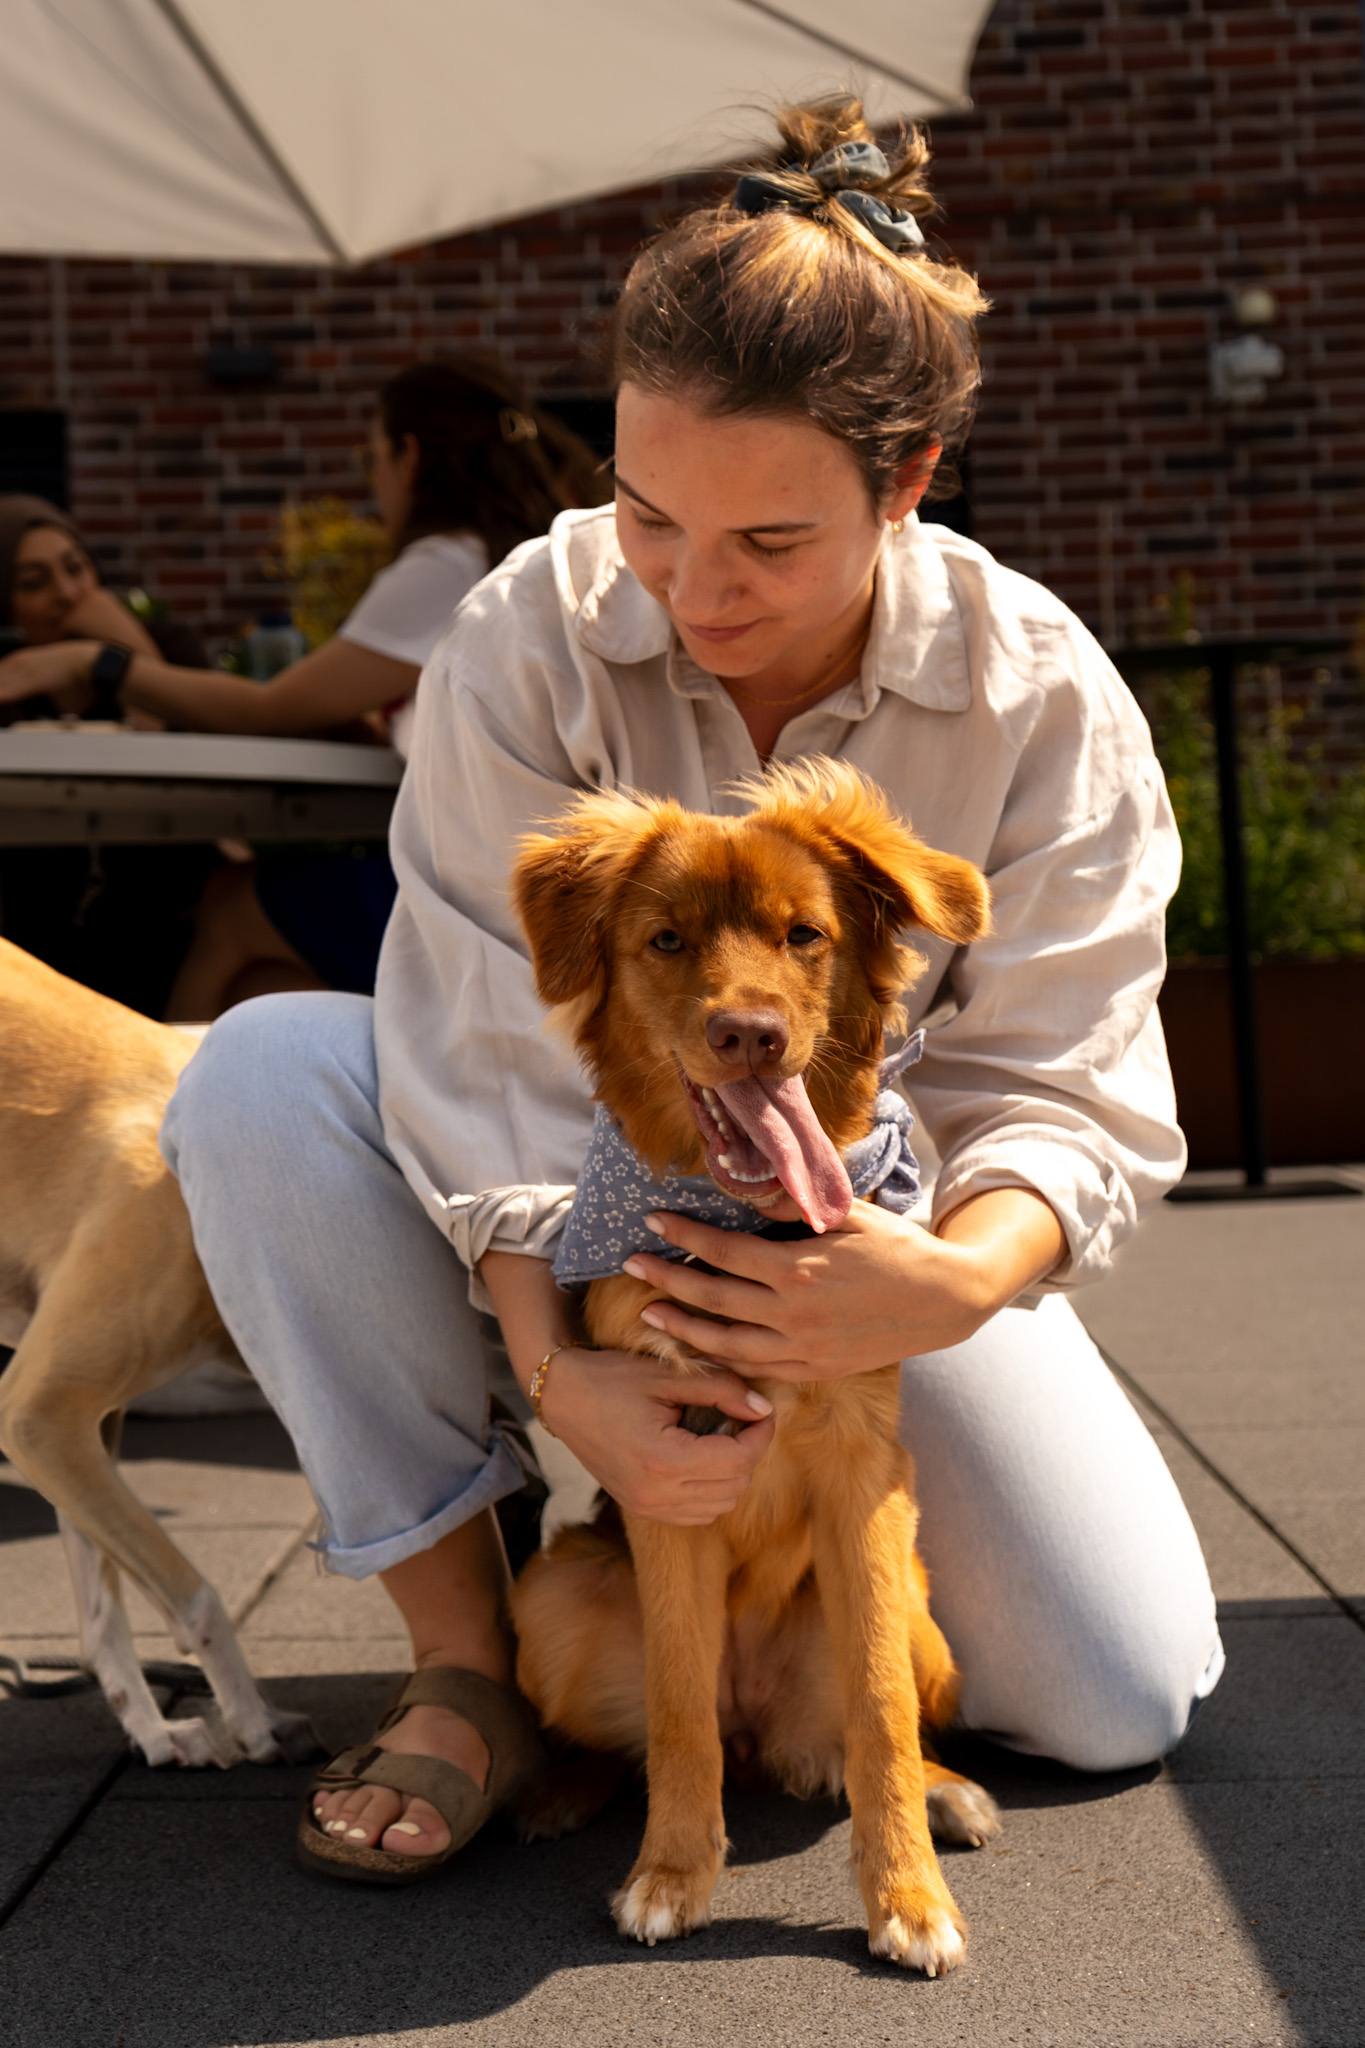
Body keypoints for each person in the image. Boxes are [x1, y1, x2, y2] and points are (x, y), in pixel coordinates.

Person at [161, 99, 1222, 1882]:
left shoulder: (1035, 692)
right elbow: (476, 1036)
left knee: (1114, 1691)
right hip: (573, 1214)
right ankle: (468, 1657)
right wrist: (561, 1367)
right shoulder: (528, 628)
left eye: (770, 543)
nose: (694, 590)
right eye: (649, 514)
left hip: (882, 1228)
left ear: (908, 481)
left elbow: (1067, 1074)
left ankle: (801, 1616)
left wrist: (943, 1282)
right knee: (260, 1068)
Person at [0, 357, 604, 1017]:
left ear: (409, 456)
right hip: (546, 878)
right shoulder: (525, 552)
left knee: (230, 903)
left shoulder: (447, 561)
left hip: (486, 894)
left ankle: (158, 1089)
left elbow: (269, 708)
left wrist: (101, 662)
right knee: (260, 986)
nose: (373, 482)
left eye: (371, 459)